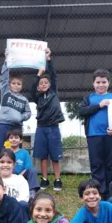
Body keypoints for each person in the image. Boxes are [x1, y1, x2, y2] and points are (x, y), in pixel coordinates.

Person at [79, 69, 112, 198]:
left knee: (110, 164)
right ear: (93, 84)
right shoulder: (88, 98)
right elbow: (82, 111)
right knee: (96, 164)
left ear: (109, 83)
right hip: (93, 135)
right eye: (98, 82)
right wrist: (99, 106)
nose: (101, 85)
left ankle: (110, 191)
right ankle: (99, 191)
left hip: (110, 136)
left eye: (104, 82)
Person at [31, 48, 65, 191]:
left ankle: (57, 179)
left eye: (46, 82)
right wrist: (38, 75)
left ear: (50, 85)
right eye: (41, 83)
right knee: (42, 155)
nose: (43, 84)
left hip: (53, 128)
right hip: (41, 128)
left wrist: (48, 59)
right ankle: (44, 179)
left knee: (55, 156)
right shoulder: (37, 97)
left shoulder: (53, 93)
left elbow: (54, 75)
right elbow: (32, 89)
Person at [0, 48, 32, 153]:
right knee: (2, 149)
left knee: (17, 151)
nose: (16, 86)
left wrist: (21, 117)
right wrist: (6, 60)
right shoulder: (6, 92)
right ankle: (0, 168)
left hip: (17, 127)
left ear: (21, 86)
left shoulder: (24, 100)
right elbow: (4, 78)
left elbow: (28, 113)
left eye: (19, 84)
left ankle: (17, 169)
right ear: (9, 84)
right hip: (4, 125)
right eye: (13, 83)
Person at [6, 127, 40, 197]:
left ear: (21, 140)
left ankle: (31, 192)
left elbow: (27, 167)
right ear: (8, 140)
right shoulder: (6, 152)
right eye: (11, 138)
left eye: (16, 137)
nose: (14, 139)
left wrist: (19, 176)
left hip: (22, 175)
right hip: (9, 175)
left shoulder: (24, 153)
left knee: (32, 170)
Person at [0, 149, 30, 215]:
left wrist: (9, 206)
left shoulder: (20, 180)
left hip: (16, 213)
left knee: (24, 205)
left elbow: (24, 198)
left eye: (9, 162)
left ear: (14, 164)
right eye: (2, 162)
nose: (5, 165)